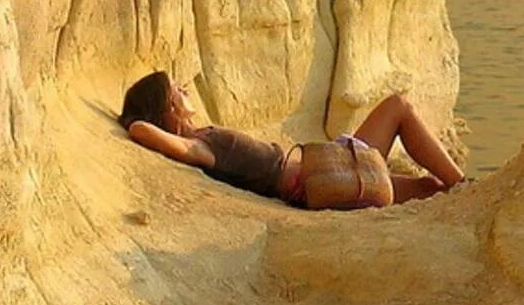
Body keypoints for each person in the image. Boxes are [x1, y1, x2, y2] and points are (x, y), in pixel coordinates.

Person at [118, 70, 464, 208]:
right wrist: (137, 122)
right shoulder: (201, 146)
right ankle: (465, 185)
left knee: (427, 188)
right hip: (322, 176)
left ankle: (460, 193)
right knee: (398, 107)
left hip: (326, 169)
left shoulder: (204, 137)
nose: (185, 88)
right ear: (168, 106)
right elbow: (143, 132)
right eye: (176, 90)